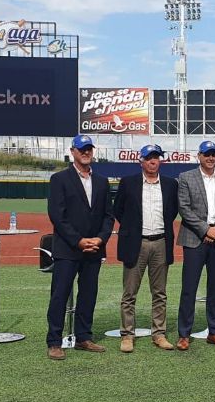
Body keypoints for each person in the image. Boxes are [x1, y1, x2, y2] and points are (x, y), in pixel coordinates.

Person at [46, 134, 115, 360]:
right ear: (72, 152)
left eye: (89, 149)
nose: (86, 152)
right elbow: (57, 215)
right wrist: (78, 240)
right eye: (81, 149)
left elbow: (108, 216)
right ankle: (54, 341)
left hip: (94, 248)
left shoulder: (102, 181)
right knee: (60, 294)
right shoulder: (59, 179)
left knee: (88, 294)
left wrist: (100, 239)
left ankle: (83, 337)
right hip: (68, 248)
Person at [113, 144, 179, 353]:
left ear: (160, 160)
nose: (153, 161)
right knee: (130, 293)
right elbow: (118, 210)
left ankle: (159, 333)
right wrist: (133, 229)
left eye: (156, 157)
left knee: (159, 293)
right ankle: (127, 335)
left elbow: (172, 211)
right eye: (149, 157)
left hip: (161, 242)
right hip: (136, 243)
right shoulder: (128, 182)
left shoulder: (170, 184)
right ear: (140, 161)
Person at [176, 140, 215, 351]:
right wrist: (205, 230)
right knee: (189, 288)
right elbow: (184, 208)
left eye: (213, 154)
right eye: (206, 154)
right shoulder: (186, 177)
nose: (210, 158)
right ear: (199, 156)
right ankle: (184, 334)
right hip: (195, 238)